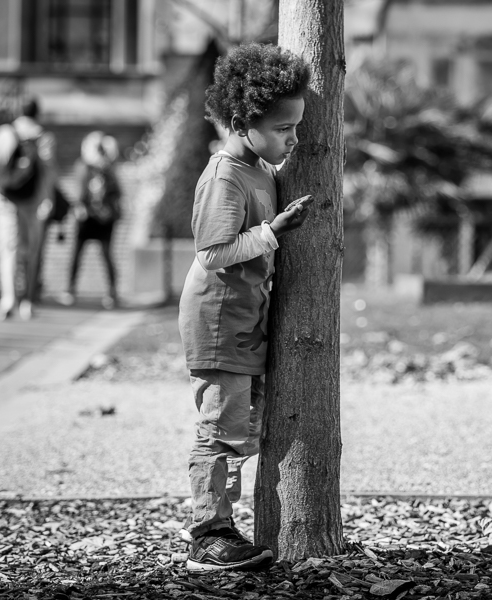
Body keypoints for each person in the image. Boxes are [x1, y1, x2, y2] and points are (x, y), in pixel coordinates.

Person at [177, 43, 313, 572]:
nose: (294, 139)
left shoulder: (260, 167)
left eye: (295, 127)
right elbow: (212, 252)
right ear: (241, 121)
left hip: (244, 317)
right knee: (220, 426)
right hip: (217, 318)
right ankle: (208, 535)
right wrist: (271, 233)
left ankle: (223, 523)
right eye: (284, 129)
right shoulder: (225, 176)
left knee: (243, 426)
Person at [0, 97, 57, 320]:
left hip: (5, 199)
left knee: (8, 249)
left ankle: (8, 298)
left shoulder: (4, 133)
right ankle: (27, 300)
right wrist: (48, 200)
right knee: (31, 251)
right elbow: (49, 172)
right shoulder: (44, 136)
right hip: (32, 201)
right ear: (38, 112)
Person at [59, 131, 122, 309]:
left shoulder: (110, 170)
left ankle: (112, 292)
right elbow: (79, 192)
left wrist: (109, 209)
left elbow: (117, 193)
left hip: (105, 219)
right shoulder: (84, 167)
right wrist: (80, 207)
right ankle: (69, 289)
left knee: (107, 255)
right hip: (86, 218)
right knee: (76, 254)